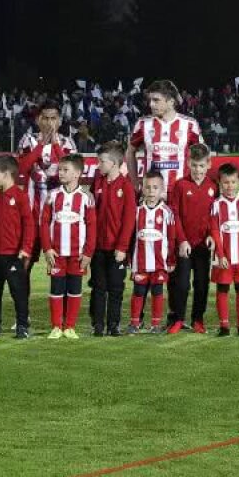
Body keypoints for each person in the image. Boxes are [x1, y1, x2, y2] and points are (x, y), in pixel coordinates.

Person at [40, 153, 95, 340]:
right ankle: (56, 326)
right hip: (57, 254)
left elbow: (92, 227)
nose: (60, 173)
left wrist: (88, 253)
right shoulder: (52, 196)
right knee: (56, 289)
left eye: (65, 170)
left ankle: (70, 326)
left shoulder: (87, 198)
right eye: (60, 169)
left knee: (74, 289)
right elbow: (44, 223)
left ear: (78, 173)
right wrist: (47, 248)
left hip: (77, 255)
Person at [17, 100, 76, 276]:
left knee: (59, 265)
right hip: (31, 213)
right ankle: (22, 303)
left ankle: (61, 300)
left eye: (53, 118)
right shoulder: (28, 140)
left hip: (59, 214)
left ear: (59, 121)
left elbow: (71, 172)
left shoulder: (67, 143)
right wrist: (42, 144)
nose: (49, 123)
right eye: (45, 118)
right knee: (25, 263)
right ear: (38, 120)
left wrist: (55, 145)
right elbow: (23, 168)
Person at [166, 143, 217, 333]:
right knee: (181, 283)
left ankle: (198, 319)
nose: (198, 170)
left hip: (203, 245)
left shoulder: (213, 186)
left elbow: (216, 216)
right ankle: (178, 319)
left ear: (209, 164)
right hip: (184, 244)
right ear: (188, 163)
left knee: (202, 284)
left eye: (202, 166)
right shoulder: (180, 185)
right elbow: (174, 215)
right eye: (194, 165)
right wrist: (182, 240)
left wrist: (212, 235)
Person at [0, 154, 34, 339]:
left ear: (6, 174)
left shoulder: (20, 197)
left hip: (14, 255)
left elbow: (29, 224)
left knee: (18, 292)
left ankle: (22, 325)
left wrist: (25, 248)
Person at [128, 170, 182, 334]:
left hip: (160, 262)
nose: (151, 191)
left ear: (162, 190)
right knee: (138, 292)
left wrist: (171, 260)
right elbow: (131, 237)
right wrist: (130, 260)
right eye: (148, 187)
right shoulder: (136, 211)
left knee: (157, 292)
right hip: (141, 262)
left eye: (155, 188)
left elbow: (171, 239)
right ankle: (135, 323)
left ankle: (156, 324)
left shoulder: (167, 212)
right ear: (142, 189)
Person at [90, 142, 135, 337]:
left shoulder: (126, 187)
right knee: (98, 287)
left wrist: (123, 247)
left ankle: (113, 324)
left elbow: (129, 220)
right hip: (98, 247)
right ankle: (98, 325)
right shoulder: (97, 183)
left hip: (117, 249)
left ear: (115, 163)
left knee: (116, 288)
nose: (98, 164)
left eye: (102, 161)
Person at [207, 163, 239, 336]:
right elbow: (214, 231)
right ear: (220, 183)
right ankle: (224, 325)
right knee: (223, 289)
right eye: (226, 182)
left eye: (233, 182)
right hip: (224, 257)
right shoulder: (216, 205)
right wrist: (220, 255)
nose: (230, 186)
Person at [126, 80, 200, 190]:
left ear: (170, 101)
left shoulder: (190, 124)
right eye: (150, 100)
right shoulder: (143, 124)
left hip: (181, 192)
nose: (151, 104)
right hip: (152, 193)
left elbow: (201, 155)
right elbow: (130, 152)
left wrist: (196, 182)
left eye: (156, 100)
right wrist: (135, 182)